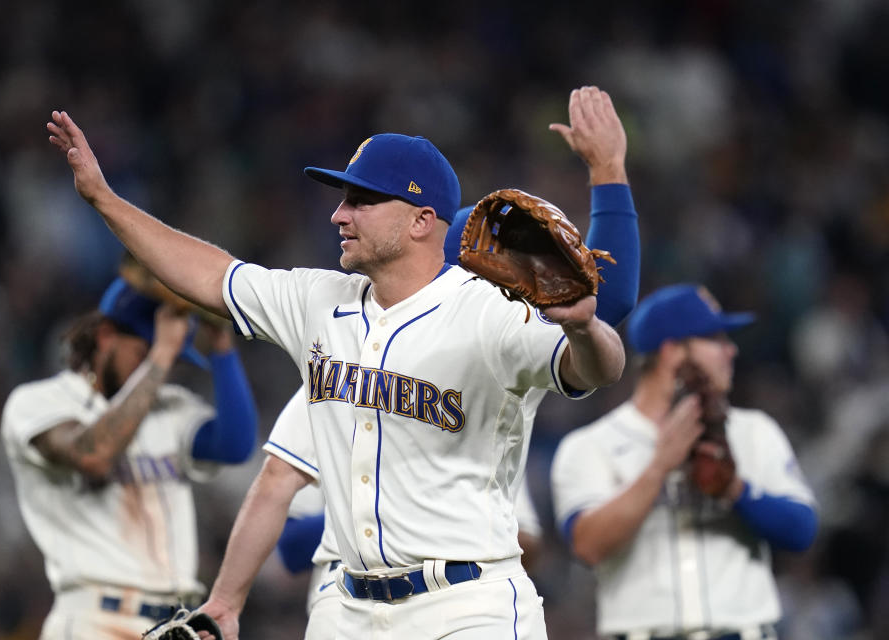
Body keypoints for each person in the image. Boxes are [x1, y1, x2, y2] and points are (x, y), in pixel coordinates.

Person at [48, 85, 628, 640]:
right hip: (347, 606)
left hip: (466, 605)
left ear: (422, 220)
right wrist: (104, 199)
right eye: (342, 199)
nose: (339, 215)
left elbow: (598, 370)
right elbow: (208, 274)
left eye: (362, 201)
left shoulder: (490, 311)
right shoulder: (319, 302)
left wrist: (584, 328)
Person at [550, 284, 819, 640]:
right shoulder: (591, 446)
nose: (731, 350)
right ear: (673, 350)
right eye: (716, 338)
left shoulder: (753, 432)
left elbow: (802, 532)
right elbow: (587, 545)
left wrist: (735, 490)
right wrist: (659, 467)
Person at [1, 275, 258, 639]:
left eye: (165, 359)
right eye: (144, 352)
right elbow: (95, 455)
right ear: (106, 336)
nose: (158, 369)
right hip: (95, 618)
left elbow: (235, 445)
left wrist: (220, 346)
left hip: (176, 623)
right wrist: (162, 353)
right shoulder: (40, 402)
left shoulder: (168, 406)